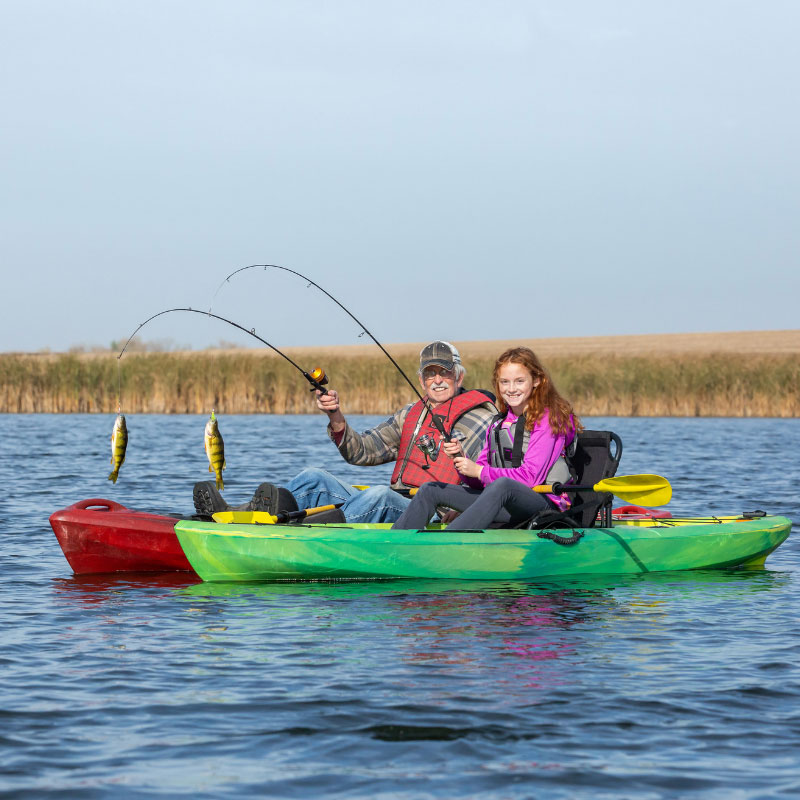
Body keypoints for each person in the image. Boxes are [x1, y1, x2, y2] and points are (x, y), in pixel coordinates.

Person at [281, 341, 498, 523]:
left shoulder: (485, 420)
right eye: (430, 374)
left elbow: (496, 477)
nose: (438, 380)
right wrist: (335, 415)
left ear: (459, 378)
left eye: (445, 373)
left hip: (433, 515)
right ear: (422, 381)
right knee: (314, 478)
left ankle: (314, 536)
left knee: (379, 495)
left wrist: (466, 507)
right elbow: (362, 452)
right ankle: (257, 517)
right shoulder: (410, 414)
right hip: (397, 501)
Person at [391, 346, 581, 531]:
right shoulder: (499, 422)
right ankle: (394, 544)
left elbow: (530, 478)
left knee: (503, 485)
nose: (511, 389)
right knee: (430, 489)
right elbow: (478, 481)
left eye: (520, 381)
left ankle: (448, 544)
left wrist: (479, 474)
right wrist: (463, 462)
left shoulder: (549, 419)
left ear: (537, 380)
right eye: (505, 382)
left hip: (546, 506)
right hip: (505, 499)